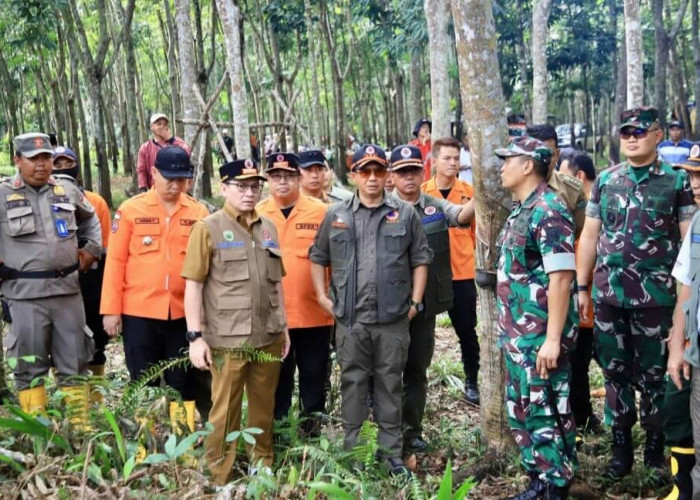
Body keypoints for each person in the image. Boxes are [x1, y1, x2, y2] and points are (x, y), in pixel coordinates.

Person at [577, 107, 695, 479]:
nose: (631, 138)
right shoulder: (607, 180)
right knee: (614, 375)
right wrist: (582, 287)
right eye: (626, 132)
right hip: (610, 299)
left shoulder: (676, 182)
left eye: (640, 132)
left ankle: (655, 450)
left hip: (657, 302)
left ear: (658, 135)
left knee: (656, 376)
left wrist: (686, 301)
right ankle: (620, 449)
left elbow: (690, 242)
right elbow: (590, 236)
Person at [309, 144, 432, 476]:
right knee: (353, 384)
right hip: (351, 320)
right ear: (354, 177)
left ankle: (391, 453)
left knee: (390, 384)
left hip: (392, 320)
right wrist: (322, 297)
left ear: (387, 175)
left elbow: (421, 259)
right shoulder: (336, 215)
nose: (374, 178)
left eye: (379, 171)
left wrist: (416, 303)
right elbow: (318, 258)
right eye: (366, 172)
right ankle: (355, 451)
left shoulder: (404, 214)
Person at [183, 158, 290, 484]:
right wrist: (195, 337)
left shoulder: (268, 227)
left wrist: (283, 327)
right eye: (241, 186)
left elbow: (277, 283)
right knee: (224, 411)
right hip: (227, 339)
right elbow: (193, 285)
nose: (249, 192)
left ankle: (263, 464)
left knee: (263, 407)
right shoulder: (207, 228)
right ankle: (220, 475)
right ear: (223, 188)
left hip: (268, 335)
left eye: (254, 186)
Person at [101, 146, 209, 434]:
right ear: (154, 174)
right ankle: (144, 442)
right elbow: (115, 261)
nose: (175, 185)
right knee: (142, 379)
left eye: (182, 179)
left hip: (183, 314)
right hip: (139, 312)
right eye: (169, 178)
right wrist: (111, 310)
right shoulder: (131, 210)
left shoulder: (198, 212)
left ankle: (182, 443)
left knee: (182, 379)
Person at [495, 136, 578, 500]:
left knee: (547, 411)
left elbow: (561, 279)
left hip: (540, 337)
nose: (501, 167)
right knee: (523, 410)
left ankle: (555, 485)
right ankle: (537, 480)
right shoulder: (522, 209)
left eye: (507, 160)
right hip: (518, 338)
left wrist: (553, 340)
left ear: (528, 165)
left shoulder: (549, 210)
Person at [3, 133, 101, 426]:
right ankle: (39, 435)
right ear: (17, 161)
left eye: (46, 157)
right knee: (28, 366)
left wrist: (91, 251)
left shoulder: (66, 189)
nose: (42, 165)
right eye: (33, 159)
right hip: (24, 296)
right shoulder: (3, 193)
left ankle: (80, 431)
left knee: (75, 362)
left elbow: (91, 219)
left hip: (68, 293)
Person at [389, 144, 474, 452]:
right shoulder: (380, 208)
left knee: (416, 369)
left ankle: (412, 430)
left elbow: (461, 216)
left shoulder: (434, 206)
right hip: (388, 305)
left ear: (422, 172)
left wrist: (484, 191)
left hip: (423, 307)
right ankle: (386, 432)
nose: (408, 177)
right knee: (386, 370)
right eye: (401, 172)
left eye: (413, 171)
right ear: (393, 176)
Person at [256, 152, 333, 435]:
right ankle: (279, 437)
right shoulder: (256, 213)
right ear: (267, 180)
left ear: (299, 179)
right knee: (278, 382)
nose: (282, 182)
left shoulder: (321, 212)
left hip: (314, 315)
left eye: (288, 176)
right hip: (272, 318)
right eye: (275, 176)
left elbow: (334, 260)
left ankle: (311, 439)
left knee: (314, 381)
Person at [421, 137, 480, 405]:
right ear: (434, 160)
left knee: (467, 330)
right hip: (429, 276)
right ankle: (416, 381)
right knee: (420, 332)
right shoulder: (422, 193)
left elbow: (479, 234)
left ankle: (472, 380)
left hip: (462, 273)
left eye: (456, 158)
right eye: (447, 157)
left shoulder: (470, 193)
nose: (453, 163)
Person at [52, 146, 112, 403]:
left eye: (68, 163)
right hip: (55, 279)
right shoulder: (44, 201)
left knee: (95, 337)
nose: (63, 168)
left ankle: (97, 401)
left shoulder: (95, 202)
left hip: (90, 277)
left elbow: (106, 248)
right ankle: (70, 403)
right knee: (58, 342)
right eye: (58, 163)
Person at [661, 143, 700, 500]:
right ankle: (683, 489)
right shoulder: (698, 225)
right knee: (676, 409)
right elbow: (685, 289)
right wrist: (677, 347)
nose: (695, 183)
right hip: (695, 346)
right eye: (691, 175)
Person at [557, 152, 601, 436]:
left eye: (564, 175)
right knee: (578, 363)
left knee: (581, 362)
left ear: (579, 177)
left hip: (593, 299)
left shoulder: (592, 208)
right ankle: (583, 416)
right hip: (585, 301)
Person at [526, 125, 587, 238]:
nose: (544, 161)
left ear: (558, 154)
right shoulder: (512, 188)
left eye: (549, 155)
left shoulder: (572, 190)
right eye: (538, 155)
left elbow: (581, 234)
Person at [137, 113, 190, 192]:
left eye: (165, 124)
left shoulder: (177, 142)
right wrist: (143, 189)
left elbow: (187, 153)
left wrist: (171, 139)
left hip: (176, 189)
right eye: (159, 124)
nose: (162, 126)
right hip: (155, 191)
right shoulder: (145, 148)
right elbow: (141, 170)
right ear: (152, 127)